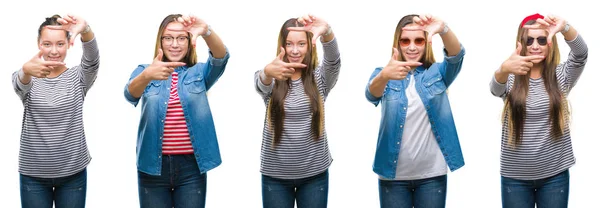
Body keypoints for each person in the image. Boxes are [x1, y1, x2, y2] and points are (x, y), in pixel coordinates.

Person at [123, 14, 229, 208]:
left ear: (189, 42)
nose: (175, 44)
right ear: (160, 41)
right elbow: (130, 94)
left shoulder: (199, 72)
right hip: (152, 166)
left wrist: (206, 31)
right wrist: (147, 75)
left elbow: (221, 58)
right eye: (169, 38)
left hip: (191, 168)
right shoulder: (145, 70)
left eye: (181, 38)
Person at [365, 14, 466, 208]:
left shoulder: (438, 73)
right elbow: (371, 94)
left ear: (426, 43)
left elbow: (457, 56)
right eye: (405, 41)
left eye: (419, 40)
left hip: (431, 175)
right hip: (392, 176)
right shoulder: (383, 73)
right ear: (398, 43)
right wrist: (385, 75)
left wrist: (443, 28)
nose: (412, 47)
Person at [490, 13, 587, 208]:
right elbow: (495, 89)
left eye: (542, 40)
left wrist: (565, 27)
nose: (535, 45)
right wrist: (503, 69)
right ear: (522, 43)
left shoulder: (561, 75)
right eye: (529, 40)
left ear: (550, 43)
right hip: (514, 177)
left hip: (555, 176)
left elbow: (581, 54)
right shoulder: (511, 75)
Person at [12, 14, 98, 208]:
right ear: (38, 44)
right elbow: (19, 84)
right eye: (47, 44)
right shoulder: (28, 77)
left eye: (60, 44)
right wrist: (25, 70)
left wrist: (85, 30)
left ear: (69, 43)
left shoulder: (78, 77)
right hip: (33, 175)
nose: (54, 51)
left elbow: (92, 61)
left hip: (73, 174)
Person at [254, 14, 340, 208]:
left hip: (314, 175)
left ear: (309, 45)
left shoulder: (320, 78)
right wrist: (267, 71)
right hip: (275, 176)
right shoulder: (272, 76)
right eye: (289, 44)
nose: (295, 50)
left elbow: (334, 61)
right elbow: (260, 84)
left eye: (301, 44)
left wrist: (327, 31)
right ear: (281, 46)